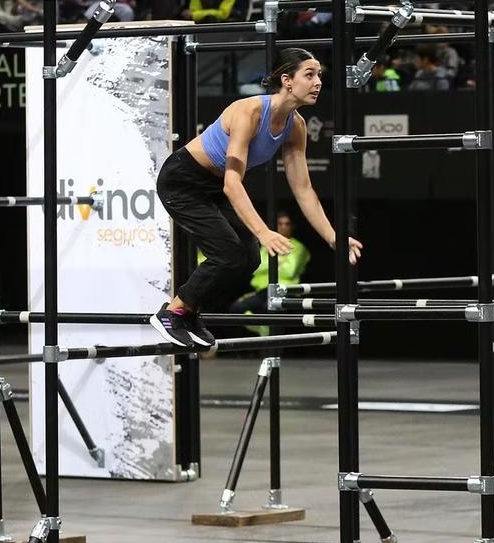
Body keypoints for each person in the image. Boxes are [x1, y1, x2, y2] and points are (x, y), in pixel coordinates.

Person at [150, 49, 363, 347]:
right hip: (182, 181)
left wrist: (333, 237)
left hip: (212, 184)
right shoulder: (249, 112)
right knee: (227, 253)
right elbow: (233, 183)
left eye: (319, 76)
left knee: (248, 258)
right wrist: (263, 231)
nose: (317, 83)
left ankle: (188, 311)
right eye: (310, 75)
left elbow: (303, 189)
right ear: (287, 80)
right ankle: (173, 313)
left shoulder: (296, 127)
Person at [228, 211, 312, 332]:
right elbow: (257, 268)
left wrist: (270, 262)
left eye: (287, 224)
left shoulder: (298, 247)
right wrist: (278, 262)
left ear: (292, 226)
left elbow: (289, 271)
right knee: (237, 308)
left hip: (286, 291)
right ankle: (263, 331)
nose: (283, 226)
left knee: (271, 309)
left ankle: (273, 343)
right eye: (280, 223)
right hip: (262, 290)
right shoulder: (267, 244)